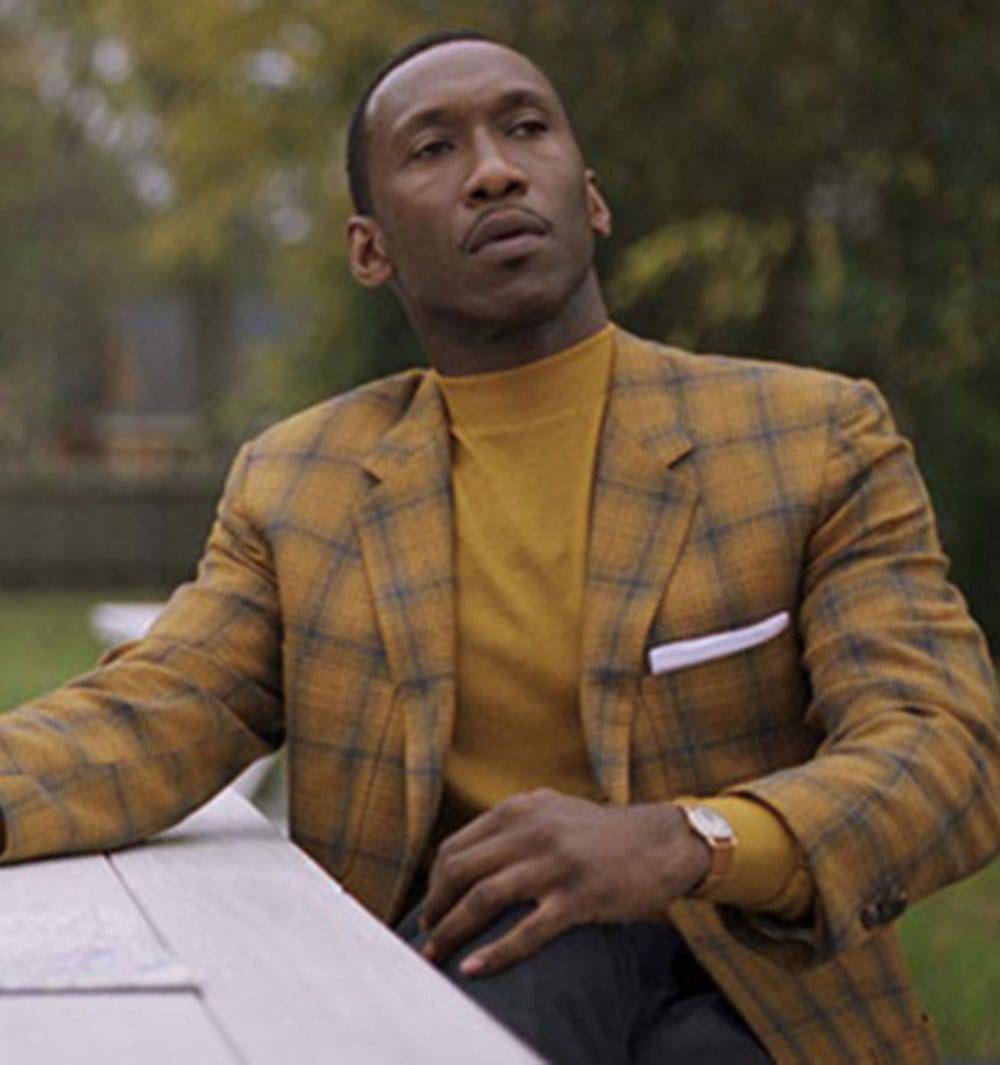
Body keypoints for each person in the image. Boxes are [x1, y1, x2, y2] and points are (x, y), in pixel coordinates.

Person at [1, 29, 998, 1065]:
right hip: (479, 971)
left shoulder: (808, 439)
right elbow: (154, 714)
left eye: (526, 129)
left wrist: (684, 838)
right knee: (530, 939)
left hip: (763, 993)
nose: (494, 170)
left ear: (591, 199)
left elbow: (947, 746)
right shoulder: (302, 484)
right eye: (434, 149)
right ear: (370, 250)